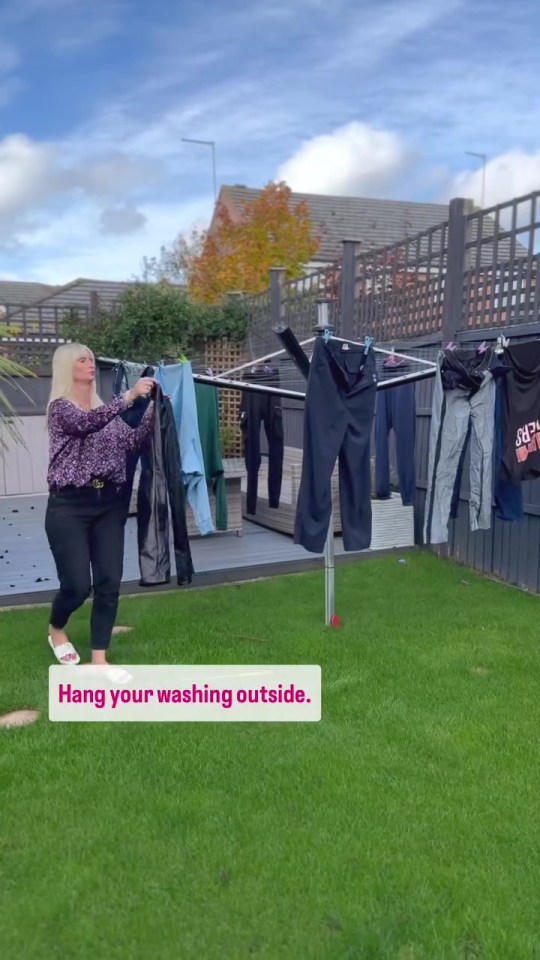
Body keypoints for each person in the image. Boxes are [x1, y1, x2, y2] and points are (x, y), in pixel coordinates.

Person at [44, 342, 156, 666]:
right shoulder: (61, 409)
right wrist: (130, 396)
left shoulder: (105, 410)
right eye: (82, 359)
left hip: (108, 504)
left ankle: (99, 658)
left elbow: (132, 442)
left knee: (109, 581)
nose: (90, 364)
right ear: (68, 368)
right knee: (78, 586)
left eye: (91, 359)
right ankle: (56, 627)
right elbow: (85, 424)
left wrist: (153, 409)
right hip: (69, 506)